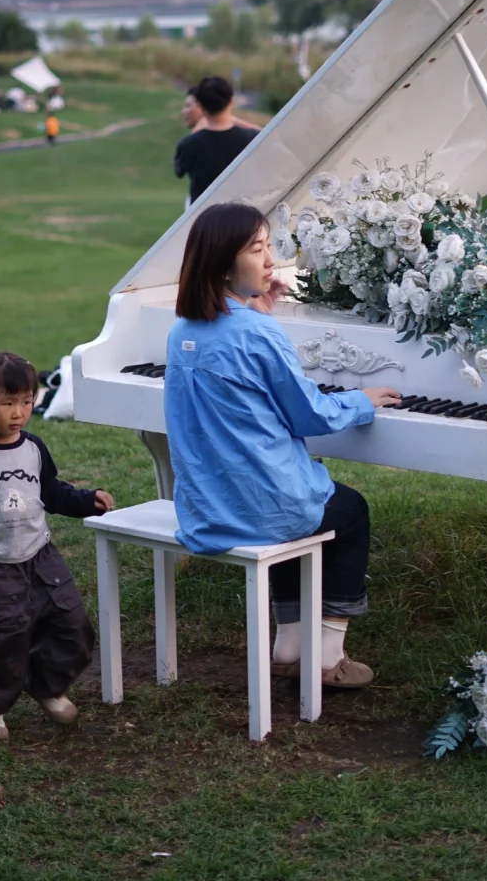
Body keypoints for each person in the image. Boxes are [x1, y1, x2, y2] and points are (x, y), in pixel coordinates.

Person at [164, 204, 402, 688]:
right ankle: (328, 656)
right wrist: (362, 400)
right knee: (350, 511)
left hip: (206, 506)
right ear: (223, 264)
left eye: (269, 246)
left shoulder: (182, 329)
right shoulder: (259, 332)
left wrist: (253, 310)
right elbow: (308, 415)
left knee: (299, 506)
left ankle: (289, 645)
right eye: (258, 249)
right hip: (262, 508)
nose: (271, 260)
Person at [0, 352, 115, 743]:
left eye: (27, 401)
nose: (19, 412)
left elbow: (51, 492)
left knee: (71, 624)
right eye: (8, 403)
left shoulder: (34, 447)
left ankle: (46, 686)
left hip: (39, 558)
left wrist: (87, 500)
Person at [172, 77, 259, 205]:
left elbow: (179, 170)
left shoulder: (188, 144)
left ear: (201, 106)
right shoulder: (251, 139)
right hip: (242, 212)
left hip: (203, 213)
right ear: (231, 101)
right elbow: (267, 136)